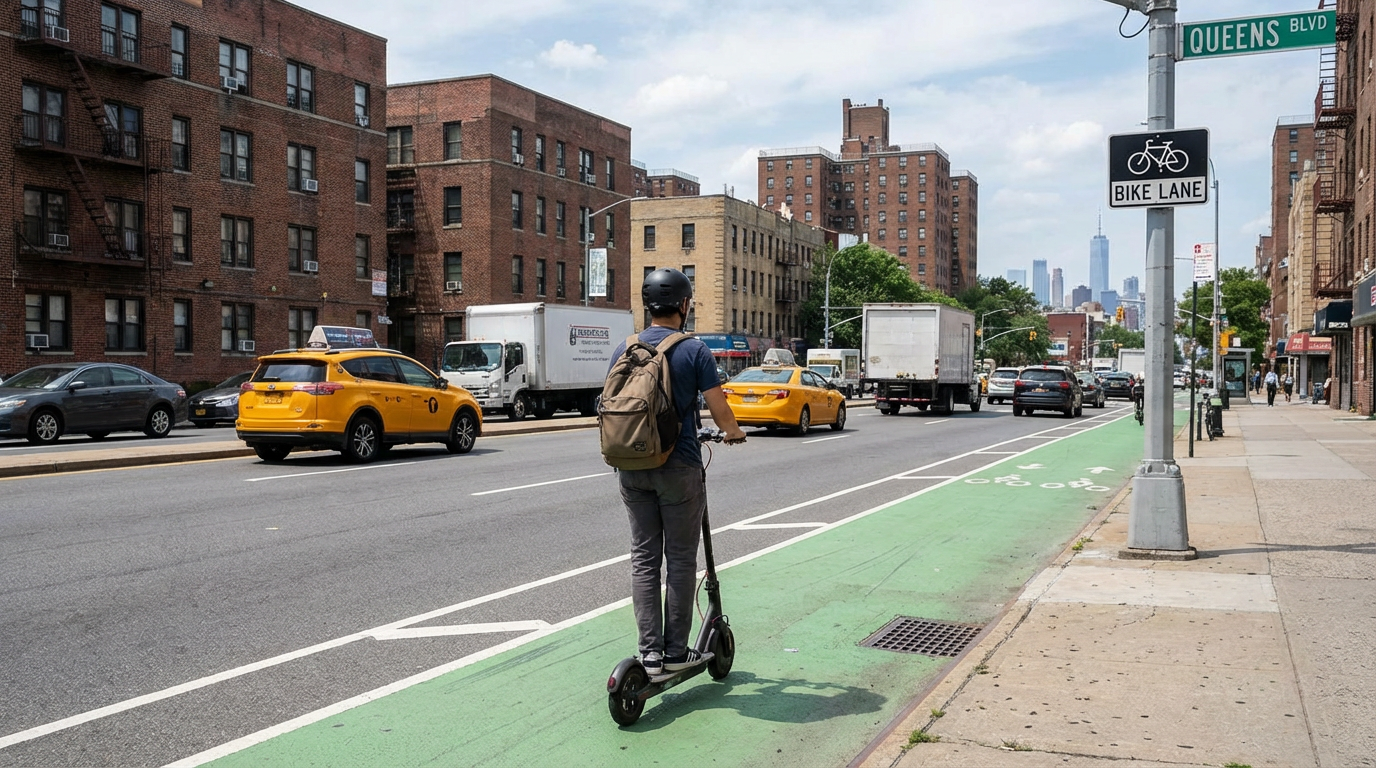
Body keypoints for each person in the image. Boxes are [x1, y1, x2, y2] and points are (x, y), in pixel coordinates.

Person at [611, 268, 746, 677]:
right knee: (682, 559)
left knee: (644, 558)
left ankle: (647, 652)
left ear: (647, 305)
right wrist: (733, 432)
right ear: (684, 306)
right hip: (679, 465)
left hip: (631, 466)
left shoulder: (625, 347)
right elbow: (718, 407)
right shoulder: (695, 350)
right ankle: (673, 651)